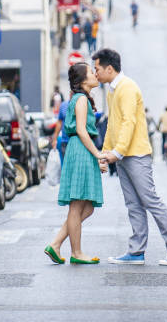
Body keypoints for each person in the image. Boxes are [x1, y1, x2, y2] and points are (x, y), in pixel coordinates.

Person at [93, 49, 167, 265]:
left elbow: (129, 123)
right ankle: (136, 252)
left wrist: (117, 152)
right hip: (122, 155)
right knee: (133, 204)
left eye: (97, 69)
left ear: (109, 68)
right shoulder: (112, 91)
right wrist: (107, 152)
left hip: (136, 154)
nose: (95, 74)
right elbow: (112, 125)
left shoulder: (127, 88)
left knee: (149, 200)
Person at [45, 62, 106, 265]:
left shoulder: (80, 99)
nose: (95, 74)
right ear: (82, 80)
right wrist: (98, 155)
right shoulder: (81, 100)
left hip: (80, 149)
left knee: (86, 207)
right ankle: (77, 252)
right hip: (80, 149)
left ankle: (56, 244)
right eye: (91, 72)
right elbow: (81, 130)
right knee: (77, 204)